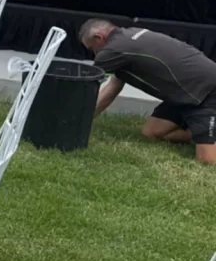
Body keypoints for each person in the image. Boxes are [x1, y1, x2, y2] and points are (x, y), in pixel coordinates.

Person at [80, 19, 216, 164]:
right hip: (182, 94)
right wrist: (85, 120)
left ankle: (208, 132)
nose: (94, 53)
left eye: (91, 48)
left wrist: (77, 121)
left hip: (205, 91)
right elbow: (113, 87)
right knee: (151, 132)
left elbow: (86, 88)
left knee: (207, 160)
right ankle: (199, 132)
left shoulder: (112, 51)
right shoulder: (131, 35)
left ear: (99, 38)